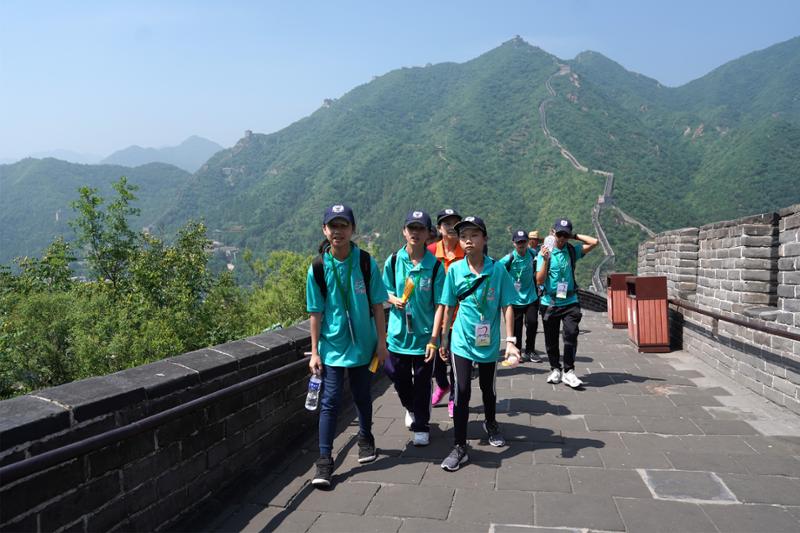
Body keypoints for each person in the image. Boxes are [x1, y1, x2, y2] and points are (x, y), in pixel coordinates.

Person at [306, 204, 389, 488]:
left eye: (343, 225)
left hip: (363, 345)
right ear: (324, 230)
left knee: (362, 395)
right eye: (333, 226)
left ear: (353, 229)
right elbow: (315, 313)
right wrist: (314, 352)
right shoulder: (318, 268)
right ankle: (325, 460)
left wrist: (382, 343)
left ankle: (365, 437)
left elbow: (378, 306)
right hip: (332, 347)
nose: (338, 231)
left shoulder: (365, 262)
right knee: (329, 401)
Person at [439, 216, 519, 472]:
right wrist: (443, 338)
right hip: (461, 340)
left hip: (488, 341)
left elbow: (507, 305)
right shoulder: (454, 270)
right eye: (463, 236)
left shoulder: (498, 271)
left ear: (484, 239)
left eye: (474, 235)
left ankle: (491, 423)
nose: (468, 240)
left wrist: (511, 341)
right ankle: (459, 446)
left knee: (487, 388)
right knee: (461, 391)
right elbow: (448, 306)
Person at [383, 211, 445, 446]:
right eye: (411, 228)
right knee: (396, 375)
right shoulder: (393, 261)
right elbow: (383, 290)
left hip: (423, 337)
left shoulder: (435, 267)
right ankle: (411, 407)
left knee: (422, 382)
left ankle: (422, 424)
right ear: (404, 231)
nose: (415, 233)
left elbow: (439, 305)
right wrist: (393, 299)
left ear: (428, 233)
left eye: (421, 229)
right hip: (398, 335)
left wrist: (434, 338)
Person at [535, 218, 598, 388]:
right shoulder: (545, 252)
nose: (562, 238)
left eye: (565, 235)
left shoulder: (571, 250)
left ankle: (569, 371)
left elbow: (594, 242)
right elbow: (539, 281)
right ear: (553, 233)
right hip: (550, 302)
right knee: (551, 339)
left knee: (571, 334)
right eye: (559, 234)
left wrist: (574, 236)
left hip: (570, 300)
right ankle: (555, 369)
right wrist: (545, 260)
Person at [427, 208, 465, 418]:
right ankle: (442, 386)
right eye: (446, 223)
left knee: (456, 363)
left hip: (460, 318)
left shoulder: (466, 251)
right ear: (439, 228)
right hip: (435, 318)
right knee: (436, 364)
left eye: (455, 224)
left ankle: (453, 398)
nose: (451, 227)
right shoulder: (431, 251)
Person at [499, 229, 541, 363]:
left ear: (528, 242)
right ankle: (517, 351)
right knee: (516, 328)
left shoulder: (533, 253)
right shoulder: (509, 258)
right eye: (518, 242)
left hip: (531, 296)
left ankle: (530, 351)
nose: (521, 245)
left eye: (523, 241)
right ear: (514, 243)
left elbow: (543, 260)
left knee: (532, 323)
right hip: (515, 299)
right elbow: (497, 269)